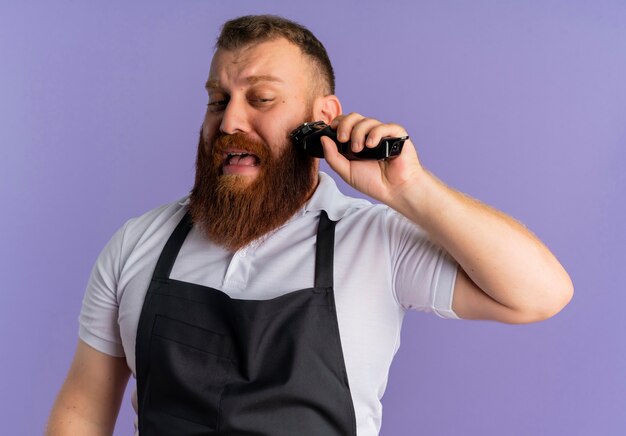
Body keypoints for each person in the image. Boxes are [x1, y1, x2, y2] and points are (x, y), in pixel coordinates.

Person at [46, 14, 573, 436]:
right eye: (217, 100)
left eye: (261, 99)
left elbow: (540, 293)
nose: (229, 122)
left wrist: (411, 190)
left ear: (320, 119)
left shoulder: (376, 242)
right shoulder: (138, 242)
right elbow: (83, 412)